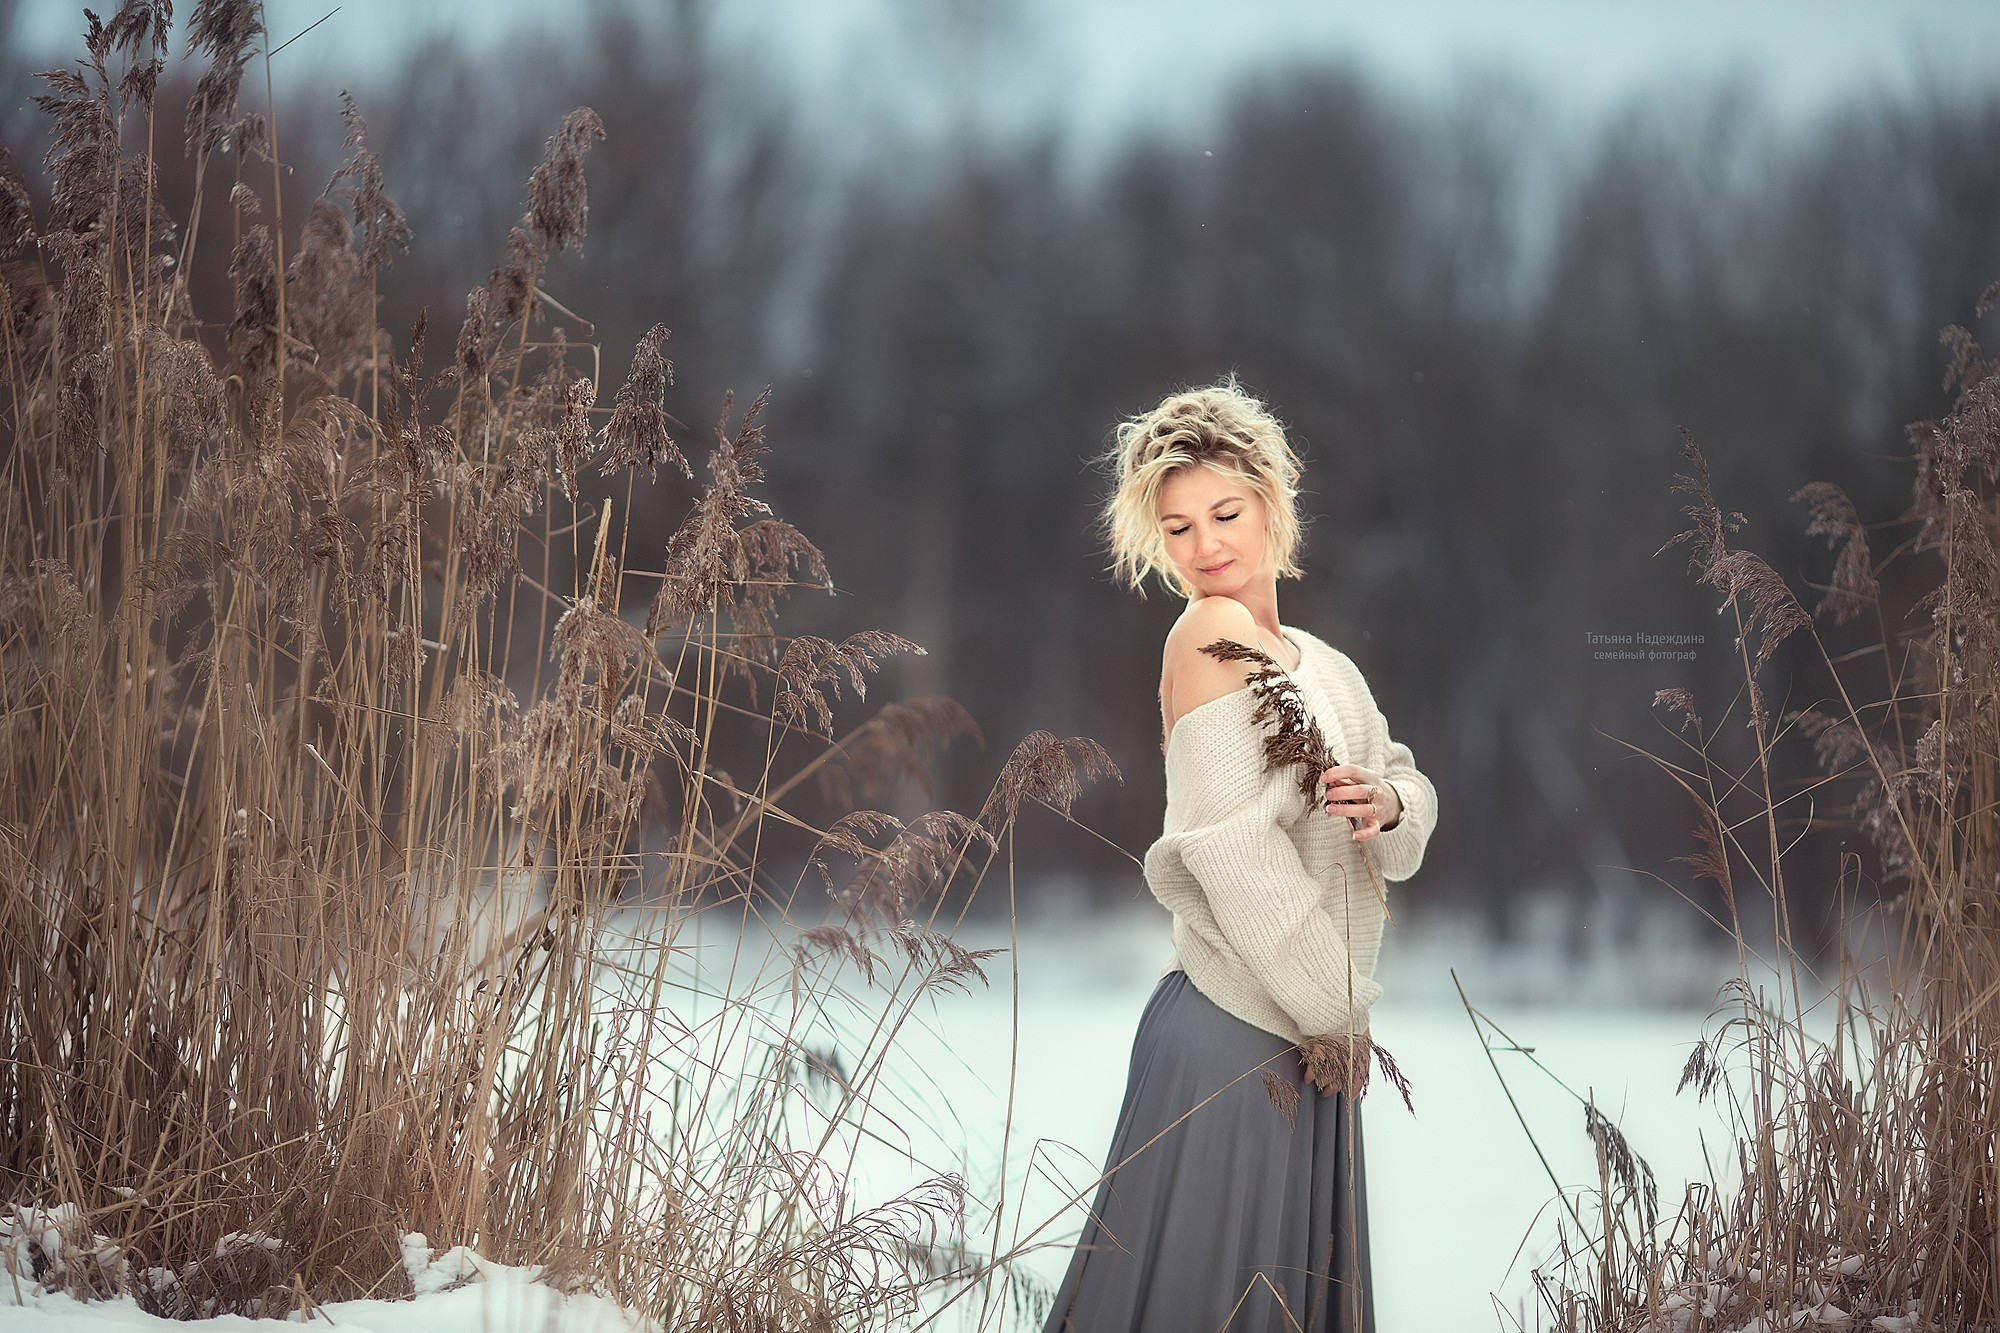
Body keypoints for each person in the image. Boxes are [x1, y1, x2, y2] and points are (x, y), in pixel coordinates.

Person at [1041, 379, 1438, 1333]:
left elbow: (1409, 791)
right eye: (1176, 528)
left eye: (1224, 513)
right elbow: (1235, 855)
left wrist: (1385, 806)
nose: (1205, 546)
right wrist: (1338, 1014)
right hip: (1241, 1032)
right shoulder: (1209, 634)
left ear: (1271, 504)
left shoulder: (1323, 661)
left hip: (1309, 1037)